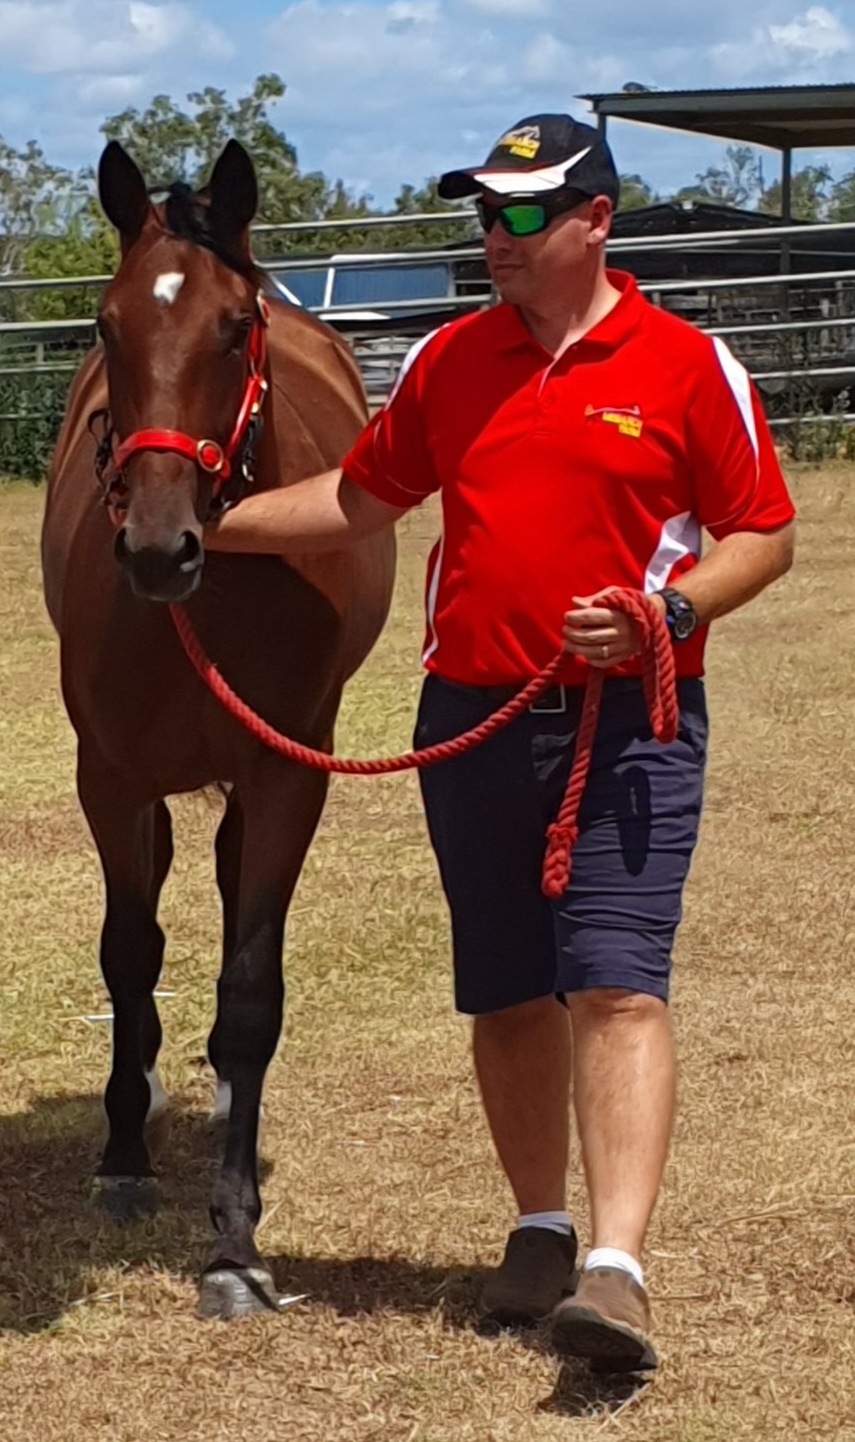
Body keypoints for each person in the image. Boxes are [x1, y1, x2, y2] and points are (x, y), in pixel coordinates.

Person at [205, 113, 796, 1372]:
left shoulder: (689, 366)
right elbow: (360, 496)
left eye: (524, 214)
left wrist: (672, 610)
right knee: (508, 988)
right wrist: (213, 529)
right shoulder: (450, 361)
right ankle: (539, 1226)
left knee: (618, 981)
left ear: (597, 221)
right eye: (485, 214)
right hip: (471, 719)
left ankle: (615, 1270)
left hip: (629, 726)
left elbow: (764, 531)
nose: (497, 236)